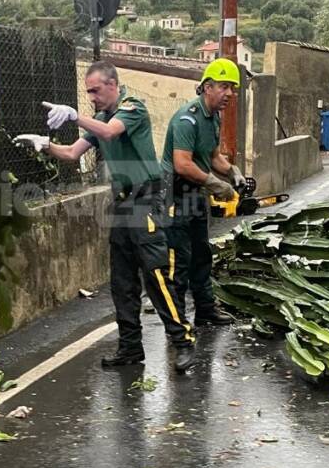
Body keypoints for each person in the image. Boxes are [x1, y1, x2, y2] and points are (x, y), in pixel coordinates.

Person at [14, 61, 196, 372]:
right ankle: (130, 348)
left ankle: (182, 341)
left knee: (155, 275)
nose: (92, 97)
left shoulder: (132, 108)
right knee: (121, 281)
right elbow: (73, 153)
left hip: (146, 200)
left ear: (113, 84)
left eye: (96, 91)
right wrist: (46, 146)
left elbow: (111, 133)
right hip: (123, 205)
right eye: (88, 92)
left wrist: (75, 115)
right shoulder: (100, 118)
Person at [162, 58, 248, 327]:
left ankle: (205, 310)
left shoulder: (213, 119)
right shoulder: (187, 119)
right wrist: (216, 184)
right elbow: (183, 163)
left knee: (202, 254)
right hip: (176, 196)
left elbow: (212, 156)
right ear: (207, 87)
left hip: (196, 193)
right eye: (225, 87)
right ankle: (177, 322)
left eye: (232, 88)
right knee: (179, 260)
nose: (230, 94)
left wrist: (232, 171)